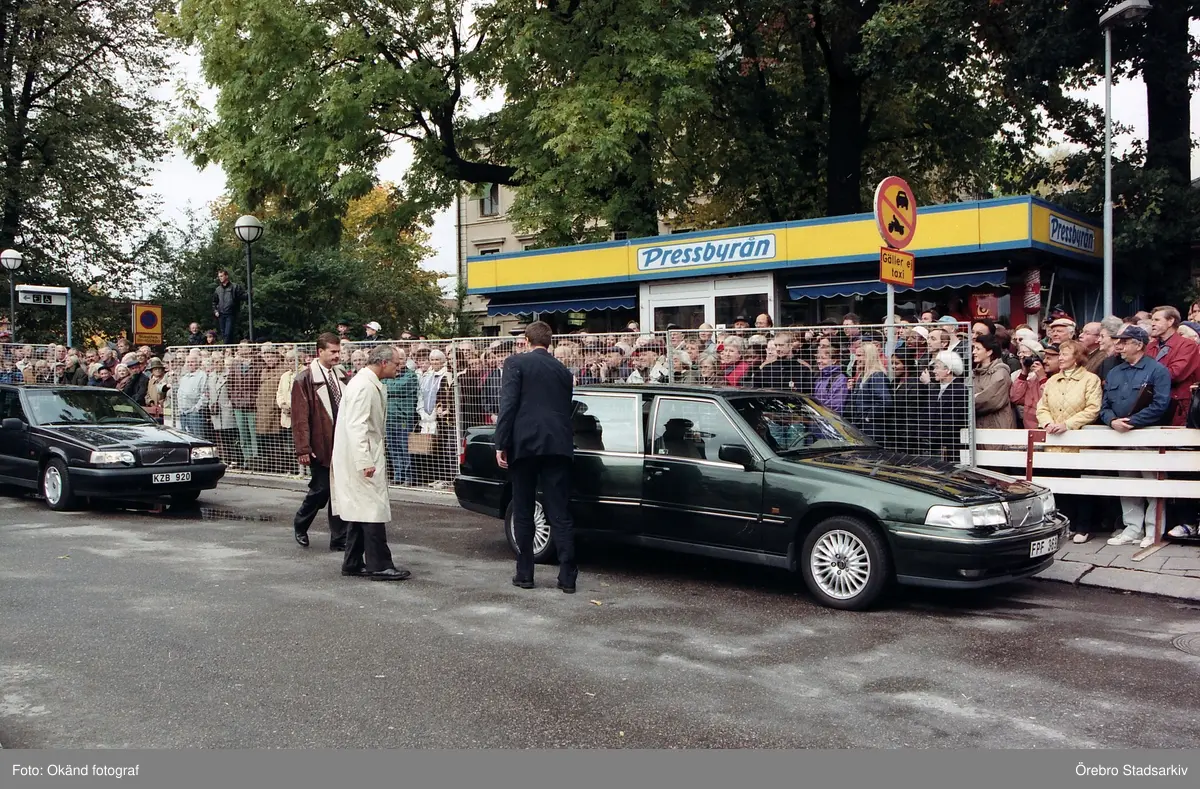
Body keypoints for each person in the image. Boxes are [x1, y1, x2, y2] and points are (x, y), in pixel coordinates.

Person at [495, 320, 577, 593]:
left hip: (525, 443)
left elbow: (508, 405)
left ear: (527, 341)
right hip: (558, 443)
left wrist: (501, 443)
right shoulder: (563, 371)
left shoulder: (516, 363)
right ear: (549, 342)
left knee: (523, 509)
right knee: (559, 510)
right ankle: (567, 576)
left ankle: (525, 573)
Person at [331, 344, 412, 581]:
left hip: (361, 453)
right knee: (372, 509)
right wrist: (364, 460)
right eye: (396, 363)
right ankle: (380, 564)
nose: (399, 367)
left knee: (362, 509)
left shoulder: (365, 382)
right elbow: (357, 425)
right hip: (361, 455)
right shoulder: (364, 386)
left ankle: (353, 561)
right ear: (383, 363)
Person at [1099, 326, 1172, 548]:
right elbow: (1104, 405)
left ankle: (1153, 530)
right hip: (1121, 436)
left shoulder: (1157, 370)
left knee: (1152, 484)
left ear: (1139, 344)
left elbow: (1160, 404)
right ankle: (1132, 528)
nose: (1119, 346)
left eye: (1124, 342)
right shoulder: (1114, 372)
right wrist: (1112, 421)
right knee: (1127, 483)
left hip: (1147, 436)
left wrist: (1132, 422)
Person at [291, 333, 349, 551]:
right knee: (321, 489)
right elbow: (300, 418)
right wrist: (303, 449)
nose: (337, 355)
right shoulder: (304, 379)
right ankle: (301, 523)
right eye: (333, 351)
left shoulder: (342, 375)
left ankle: (339, 538)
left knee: (339, 491)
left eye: (338, 351)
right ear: (320, 352)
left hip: (341, 443)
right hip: (320, 445)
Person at [1145, 305, 1200, 427]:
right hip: (1152, 403)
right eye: (1152, 320)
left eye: (1157, 320)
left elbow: (1175, 374)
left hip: (1177, 405)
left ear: (1170, 321)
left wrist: (1146, 377)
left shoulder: (1187, 345)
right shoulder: (1150, 346)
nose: (1152, 324)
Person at [212, 269, 246, 345]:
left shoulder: (235, 287)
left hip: (231, 313)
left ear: (226, 276)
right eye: (219, 276)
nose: (220, 278)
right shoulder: (218, 289)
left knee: (228, 333)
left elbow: (242, 296)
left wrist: (249, 294)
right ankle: (228, 349)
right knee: (224, 334)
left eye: (221, 276)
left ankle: (226, 348)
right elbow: (214, 302)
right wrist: (215, 311)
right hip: (221, 314)